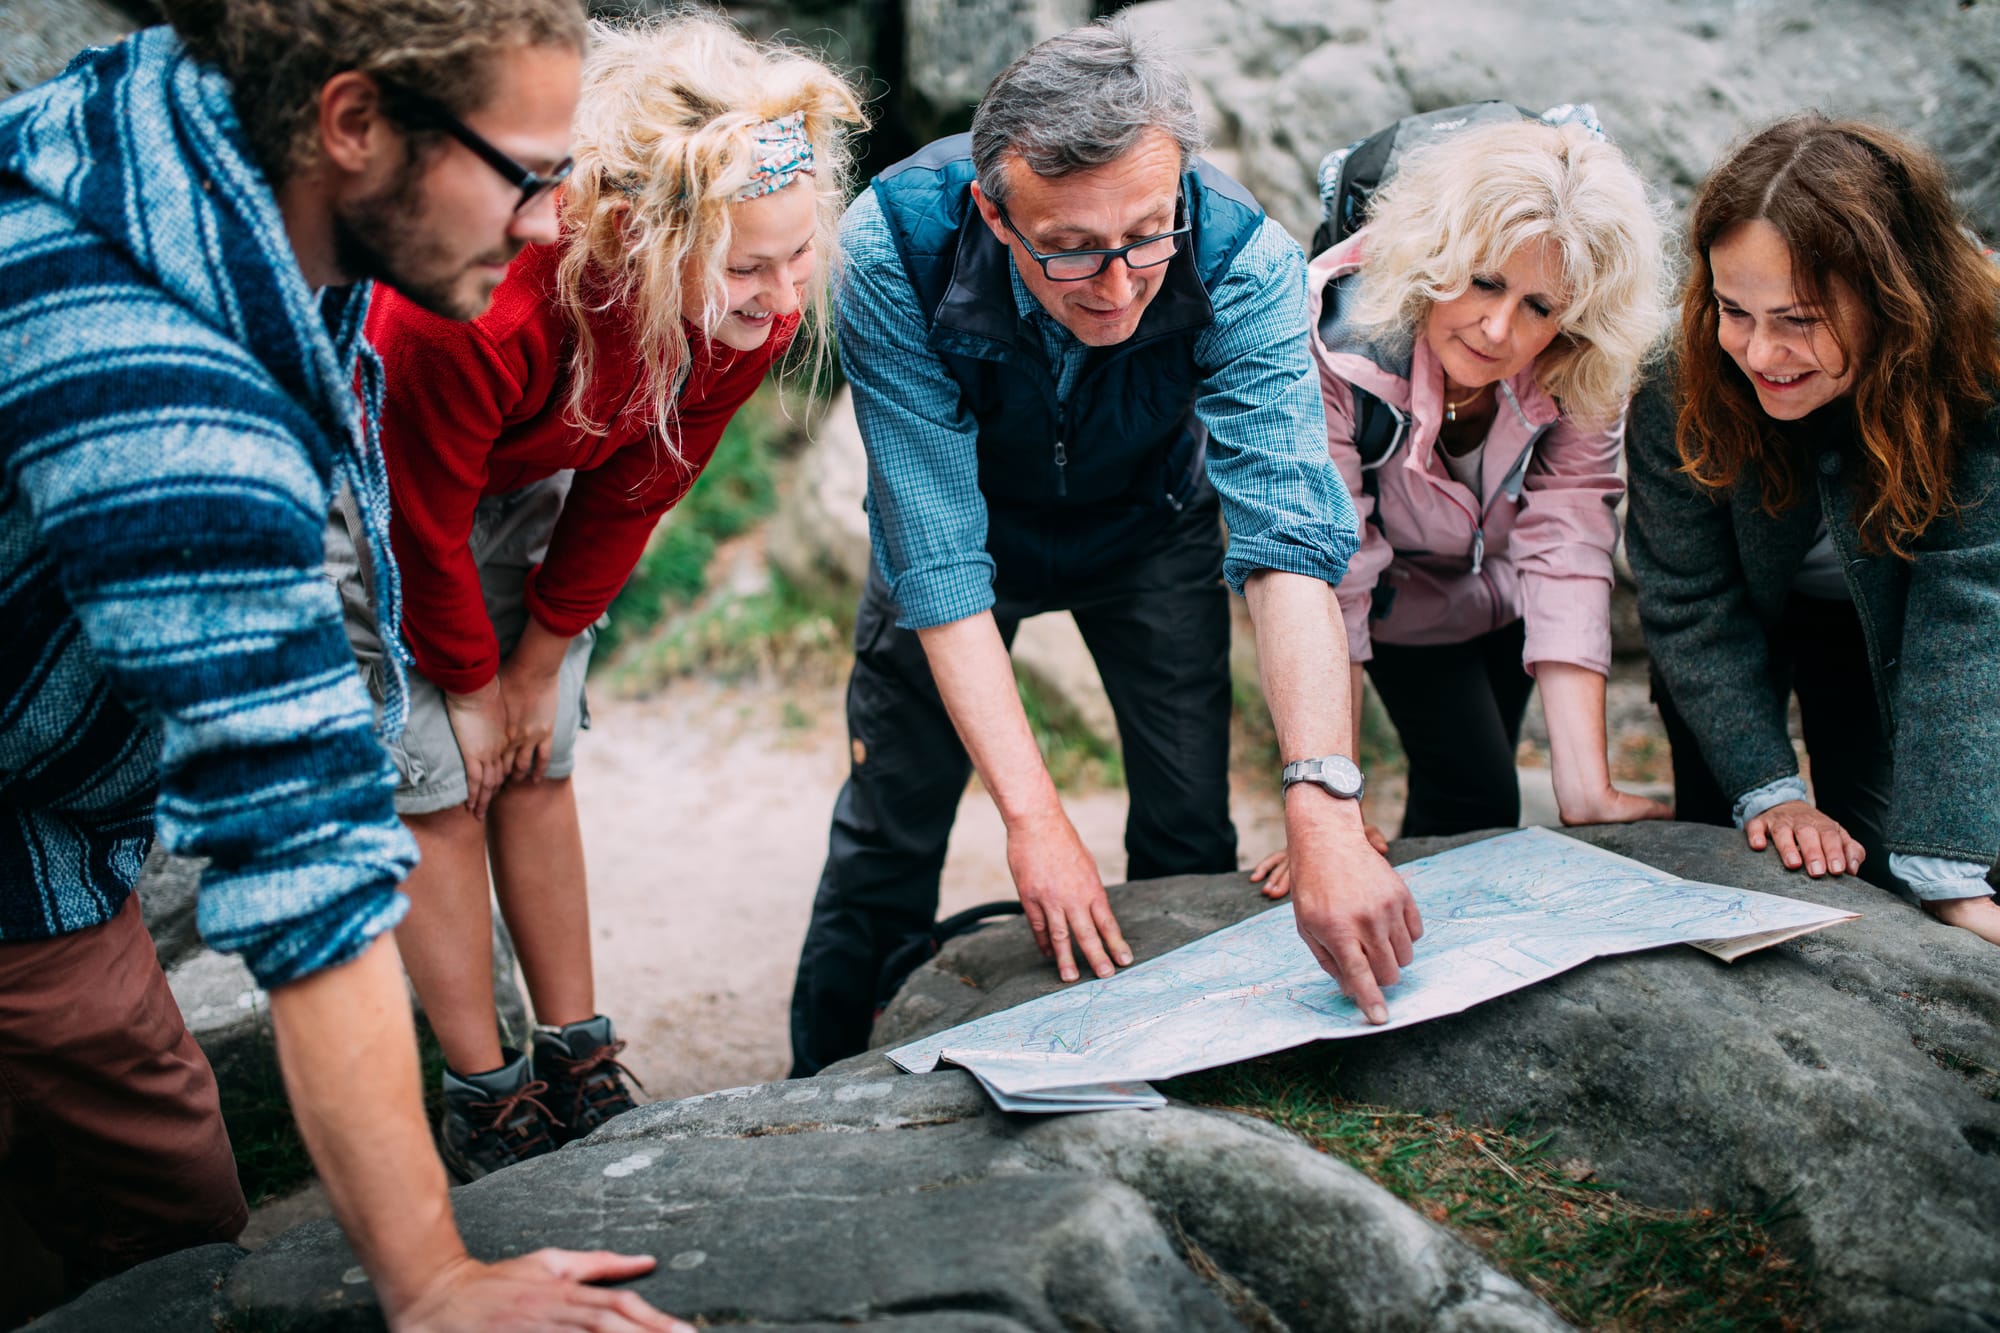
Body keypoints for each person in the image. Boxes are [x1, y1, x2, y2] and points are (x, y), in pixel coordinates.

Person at [0, 4, 690, 1329]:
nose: (552, 224)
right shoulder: (165, 409)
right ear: (356, 119)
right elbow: (304, 859)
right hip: (22, 844)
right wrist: (432, 1277)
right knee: (166, 1225)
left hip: (50, 782)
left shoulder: (191, 127)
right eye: (531, 174)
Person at [788, 19, 1422, 1078]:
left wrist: (1323, 804)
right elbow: (938, 564)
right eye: (1071, 246)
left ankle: (1202, 1069)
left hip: (1149, 526)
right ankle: (817, 1089)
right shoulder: (889, 242)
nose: (1119, 283)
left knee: (1184, 826)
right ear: (993, 210)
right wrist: (1032, 819)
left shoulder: (1238, 253)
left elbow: (1288, 537)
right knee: (888, 834)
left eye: (1144, 235)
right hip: (956, 526)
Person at [351, 12, 865, 1178]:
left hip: (528, 463)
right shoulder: (478, 305)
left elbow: (641, 483)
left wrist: (537, 663)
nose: (785, 298)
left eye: (800, 258)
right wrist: (471, 686)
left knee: (539, 756)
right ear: (638, 231)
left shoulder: (745, 301)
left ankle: (575, 1054)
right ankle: (486, 1097)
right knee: (440, 776)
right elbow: (420, 523)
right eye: (749, 266)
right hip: (373, 485)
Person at [1249, 114, 1673, 896]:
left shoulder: (1587, 357)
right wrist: (1329, 806)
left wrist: (1587, 790)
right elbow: (1330, 564)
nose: (1498, 328)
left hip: (1508, 593)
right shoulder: (1332, 342)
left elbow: (1572, 526)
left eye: (1541, 306)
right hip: (1400, 600)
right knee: (1479, 789)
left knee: (1470, 796)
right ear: (1436, 254)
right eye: (1483, 280)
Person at [1624, 113, 2000, 945]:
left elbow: (1968, 599)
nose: (1760, 353)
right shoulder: (1673, 383)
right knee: (1736, 849)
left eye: (1799, 318)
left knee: (1899, 859)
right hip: (1732, 628)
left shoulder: (1977, 363)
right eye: (1734, 310)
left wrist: (1947, 864)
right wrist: (1770, 789)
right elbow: (1691, 604)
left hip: (1899, 619)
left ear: (1894, 295)